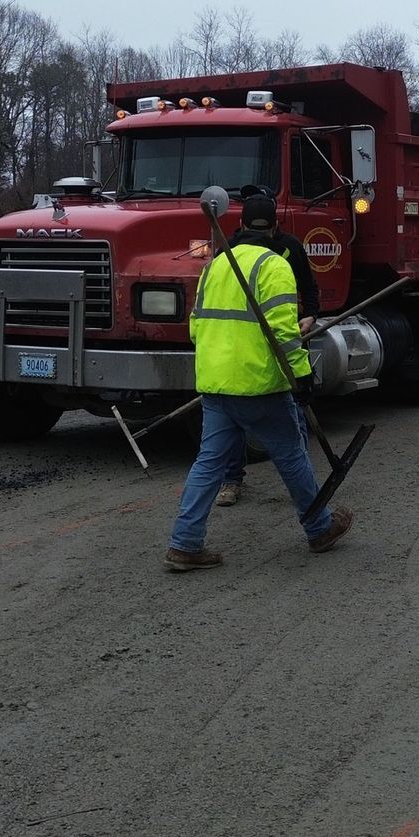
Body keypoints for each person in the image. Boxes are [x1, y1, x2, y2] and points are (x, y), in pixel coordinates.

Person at [165, 195, 352, 572]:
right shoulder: (274, 265)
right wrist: (301, 375)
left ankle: (185, 544)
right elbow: (285, 332)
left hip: (217, 383)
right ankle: (319, 527)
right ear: (275, 228)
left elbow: (195, 327)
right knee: (291, 454)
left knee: (208, 464)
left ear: (241, 226)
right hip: (259, 384)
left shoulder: (215, 266)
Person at [214, 190, 320, 509]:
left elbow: (309, 289)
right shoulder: (227, 253)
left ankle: (303, 485)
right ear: (244, 226)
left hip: (282, 347)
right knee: (236, 423)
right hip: (244, 353)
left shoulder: (290, 249)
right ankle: (231, 480)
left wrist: (310, 316)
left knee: (293, 417)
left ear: (275, 226)